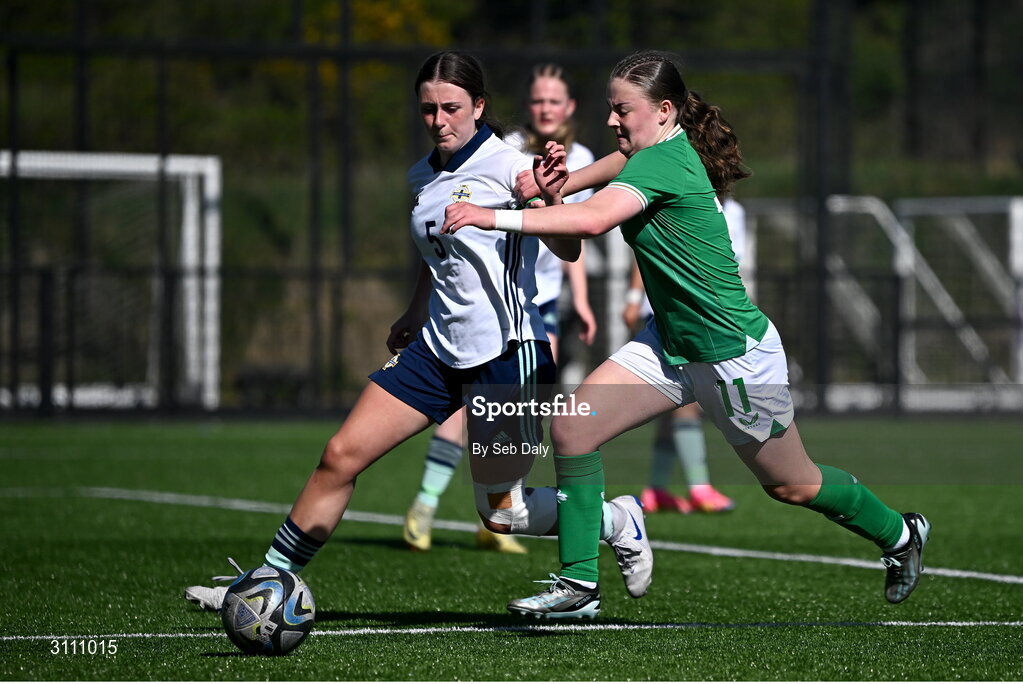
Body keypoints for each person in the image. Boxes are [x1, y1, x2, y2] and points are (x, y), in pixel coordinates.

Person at [443, 50, 930, 618]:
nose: (611, 121)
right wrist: (551, 183)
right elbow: (580, 185)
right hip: (670, 347)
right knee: (573, 430)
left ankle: (901, 534)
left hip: (733, 357)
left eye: (621, 109)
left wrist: (490, 215)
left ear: (665, 110)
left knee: (792, 485)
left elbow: (592, 220)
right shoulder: (643, 153)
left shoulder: (662, 164)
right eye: (609, 108)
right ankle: (579, 587)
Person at [183, 51, 650, 616]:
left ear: (479, 106)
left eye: (451, 108)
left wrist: (550, 198)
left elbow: (569, 246)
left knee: (503, 514)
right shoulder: (421, 174)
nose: (439, 120)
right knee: (339, 456)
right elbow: (444, 261)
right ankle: (264, 583)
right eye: (428, 109)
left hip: (508, 355)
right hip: (435, 351)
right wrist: (413, 310)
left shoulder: (511, 167)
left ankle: (616, 519)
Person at [402, 62, 598, 555]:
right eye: (538, 100)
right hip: (478, 312)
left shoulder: (573, 160)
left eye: (554, 101)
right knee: (463, 419)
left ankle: (515, 516)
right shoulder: (505, 151)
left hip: (533, 311)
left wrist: (585, 298)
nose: (545, 108)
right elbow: (445, 244)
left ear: (569, 108)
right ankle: (428, 505)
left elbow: (569, 238)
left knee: (507, 470)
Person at [626, 197, 746, 515]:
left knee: (676, 407)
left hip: (710, 317)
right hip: (675, 314)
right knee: (689, 401)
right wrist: (633, 298)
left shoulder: (735, 212)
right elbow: (646, 248)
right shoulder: (680, 196)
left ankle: (655, 489)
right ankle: (699, 489)